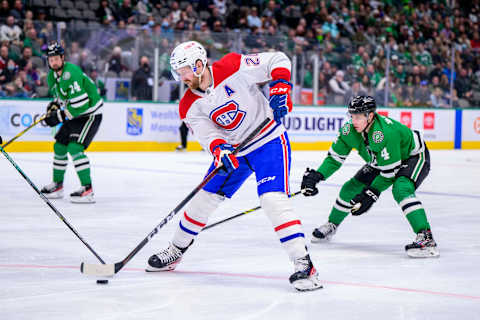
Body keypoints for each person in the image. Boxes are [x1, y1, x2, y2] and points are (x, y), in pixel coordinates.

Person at [146, 41, 322, 291]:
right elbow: (207, 135)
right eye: (178, 72)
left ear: (199, 64)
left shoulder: (231, 65)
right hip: (235, 151)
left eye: (184, 69)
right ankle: (176, 250)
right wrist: (219, 149)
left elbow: (277, 59)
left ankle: (304, 265)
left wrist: (280, 88)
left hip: (268, 140)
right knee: (201, 200)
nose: (182, 77)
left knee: (273, 200)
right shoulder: (187, 105)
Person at [301, 96, 439, 258]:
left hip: (413, 157)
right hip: (382, 160)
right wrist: (317, 176)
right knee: (350, 188)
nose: (353, 121)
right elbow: (334, 159)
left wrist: (371, 193)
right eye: (351, 116)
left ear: (370, 116)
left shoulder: (385, 133)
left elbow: (390, 174)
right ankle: (332, 224)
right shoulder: (349, 131)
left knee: (401, 188)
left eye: (358, 117)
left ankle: (426, 237)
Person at [40, 42, 103, 203]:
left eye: (56, 58)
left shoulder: (71, 73)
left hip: (90, 114)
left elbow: (81, 105)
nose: (53, 61)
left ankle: (87, 189)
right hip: (74, 114)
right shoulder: (51, 76)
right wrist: (55, 106)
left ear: (62, 58)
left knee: (75, 147)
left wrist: (59, 117)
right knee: (59, 145)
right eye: (50, 59)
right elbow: (62, 97)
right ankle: (58, 185)